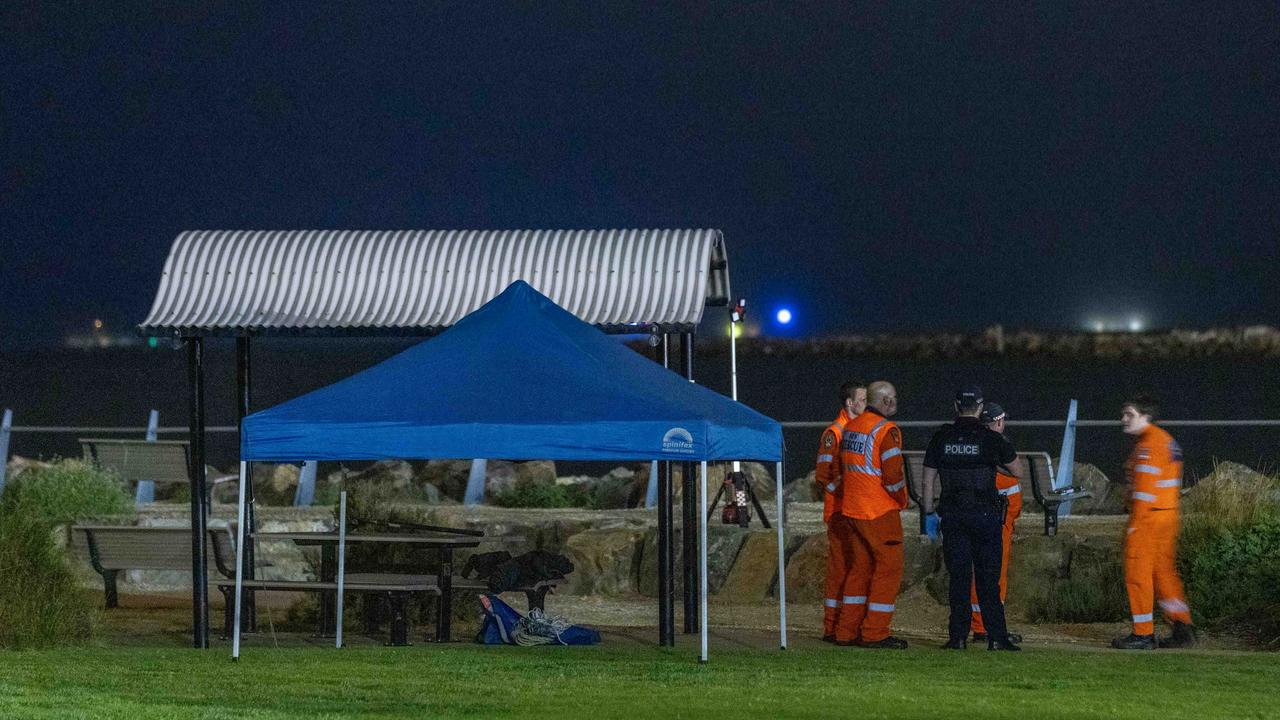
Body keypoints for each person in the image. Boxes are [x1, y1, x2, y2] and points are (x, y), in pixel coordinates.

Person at [921, 385, 1020, 651]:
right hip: (986, 516)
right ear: (980, 407)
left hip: (953, 516)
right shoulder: (990, 439)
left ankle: (958, 637)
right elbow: (1017, 469)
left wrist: (929, 513)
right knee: (989, 579)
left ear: (955, 407)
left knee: (959, 579)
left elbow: (928, 478)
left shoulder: (942, 437)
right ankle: (997, 637)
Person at [1112, 396, 1196, 650]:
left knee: (1137, 574)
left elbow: (1144, 492)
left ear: (1145, 417)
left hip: (1148, 518)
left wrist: (1135, 523)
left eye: (1130, 414)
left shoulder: (1149, 446)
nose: (1124, 419)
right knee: (1163, 574)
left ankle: (1143, 634)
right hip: (1167, 516)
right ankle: (1182, 627)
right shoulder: (1165, 441)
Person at [833, 380, 910, 649]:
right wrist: (903, 499)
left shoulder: (852, 427)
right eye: (895, 398)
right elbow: (893, 476)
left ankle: (845, 631)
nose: (896, 403)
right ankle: (875, 632)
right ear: (886, 401)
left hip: (852, 509)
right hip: (878, 510)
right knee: (888, 570)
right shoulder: (886, 431)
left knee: (859, 569)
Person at [815, 379, 867, 642]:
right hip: (839, 513)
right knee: (840, 570)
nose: (866, 404)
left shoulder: (853, 431)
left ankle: (846, 624)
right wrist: (849, 489)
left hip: (854, 511)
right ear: (849, 403)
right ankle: (833, 627)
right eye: (862, 399)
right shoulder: (835, 434)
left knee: (853, 568)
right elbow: (823, 475)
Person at [968, 402, 1025, 643]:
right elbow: (1015, 479)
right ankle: (988, 627)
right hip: (998, 523)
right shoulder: (1000, 449)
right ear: (999, 422)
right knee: (994, 576)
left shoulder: (973, 446)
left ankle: (982, 625)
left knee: (976, 574)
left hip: (977, 518)